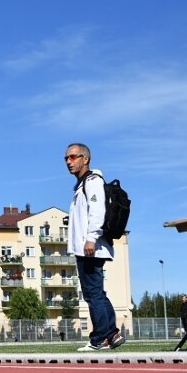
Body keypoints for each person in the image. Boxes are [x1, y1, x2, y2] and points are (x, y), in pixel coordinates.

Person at [66, 142, 125, 351]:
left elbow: (97, 211)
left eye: (73, 157)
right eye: (66, 158)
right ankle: (112, 334)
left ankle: (100, 338)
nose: (68, 162)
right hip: (87, 247)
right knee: (96, 293)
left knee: (93, 294)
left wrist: (91, 238)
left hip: (91, 247)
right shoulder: (82, 184)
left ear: (85, 159)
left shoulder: (92, 182)